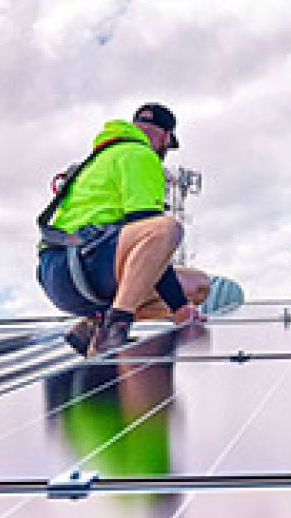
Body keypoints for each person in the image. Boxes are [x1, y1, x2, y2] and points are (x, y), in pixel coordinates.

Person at [37, 103, 206, 356]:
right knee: (166, 229)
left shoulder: (101, 158)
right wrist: (179, 307)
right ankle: (115, 330)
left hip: (58, 276)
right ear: (165, 136)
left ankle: (93, 325)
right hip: (85, 265)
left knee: (198, 285)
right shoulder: (140, 155)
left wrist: (180, 304)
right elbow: (150, 233)